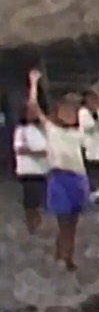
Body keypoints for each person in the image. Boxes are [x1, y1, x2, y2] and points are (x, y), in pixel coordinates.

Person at [25, 70, 89, 268]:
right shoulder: (51, 129)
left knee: (73, 224)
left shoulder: (79, 132)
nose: (70, 114)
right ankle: (62, 255)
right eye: (66, 110)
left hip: (78, 178)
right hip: (60, 177)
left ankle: (67, 255)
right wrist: (34, 83)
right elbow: (33, 106)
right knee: (63, 222)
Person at [12, 88, 48, 235]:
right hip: (28, 170)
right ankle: (31, 223)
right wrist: (36, 153)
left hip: (42, 169)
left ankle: (37, 221)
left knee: (39, 198)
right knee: (30, 200)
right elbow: (20, 149)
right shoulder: (21, 130)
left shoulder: (43, 130)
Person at [79, 89, 99, 200]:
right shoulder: (83, 112)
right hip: (88, 146)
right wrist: (98, 122)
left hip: (97, 146)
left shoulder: (95, 113)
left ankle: (97, 191)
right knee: (91, 170)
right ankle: (92, 191)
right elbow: (89, 126)